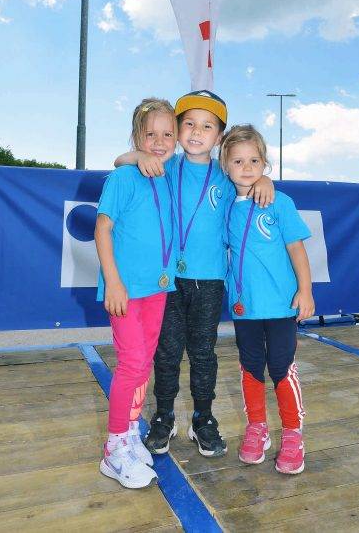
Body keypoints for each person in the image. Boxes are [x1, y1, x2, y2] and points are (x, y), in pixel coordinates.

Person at [114, 90, 275, 458]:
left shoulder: (226, 174)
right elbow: (121, 160)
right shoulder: (165, 164)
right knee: (167, 351)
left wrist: (265, 181)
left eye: (207, 126)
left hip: (211, 280)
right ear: (177, 129)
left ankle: (203, 418)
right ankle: (164, 416)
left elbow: (252, 176)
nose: (197, 132)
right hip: (168, 279)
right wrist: (138, 155)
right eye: (189, 124)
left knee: (203, 352)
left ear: (219, 137)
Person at [219, 124, 314, 474]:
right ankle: (257, 427)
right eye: (238, 161)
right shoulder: (225, 205)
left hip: (280, 305)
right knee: (250, 366)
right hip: (244, 306)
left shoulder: (279, 201)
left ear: (265, 163)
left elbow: (296, 248)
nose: (246, 167)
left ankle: (292, 433)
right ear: (225, 166)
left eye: (254, 161)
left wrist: (305, 290)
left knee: (281, 367)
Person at [94, 97, 178, 489]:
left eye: (167, 134)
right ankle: (114, 451)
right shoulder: (123, 178)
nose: (159, 142)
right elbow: (102, 228)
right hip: (125, 291)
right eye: (150, 135)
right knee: (131, 365)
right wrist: (113, 282)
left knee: (143, 364)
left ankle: (128, 432)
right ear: (136, 137)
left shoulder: (168, 173)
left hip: (157, 289)